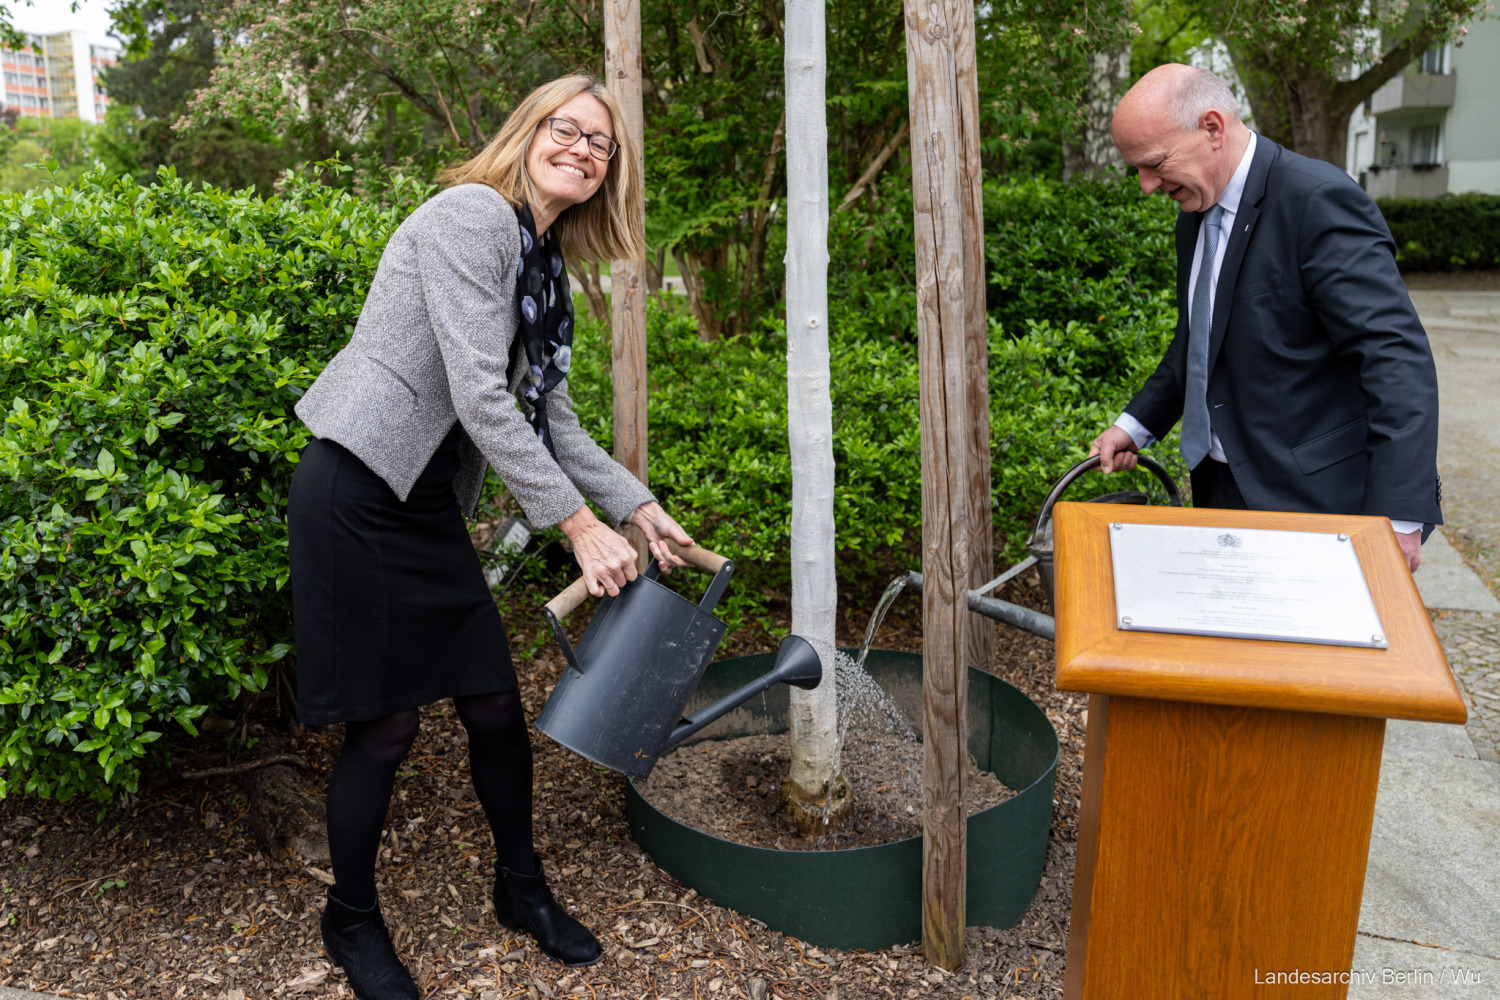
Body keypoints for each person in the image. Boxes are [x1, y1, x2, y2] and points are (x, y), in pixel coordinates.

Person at [287, 75, 693, 998]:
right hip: (357, 492)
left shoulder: (544, 267)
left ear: (608, 175)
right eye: (568, 130)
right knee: (385, 729)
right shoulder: (474, 216)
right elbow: (478, 392)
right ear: (527, 131)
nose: (583, 150)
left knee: (494, 707)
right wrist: (577, 526)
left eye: (602, 146)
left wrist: (633, 504)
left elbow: (554, 420)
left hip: (425, 506)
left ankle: (521, 888)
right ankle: (349, 919)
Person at [1087, 64, 1441, 570]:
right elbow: (1199, 339)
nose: (1146, 185)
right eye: (1137, 169)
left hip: (1320, 503)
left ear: (1213, 128)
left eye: (1154, 163)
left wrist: (1399, 516)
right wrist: (1136, 425)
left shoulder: (1317, 201)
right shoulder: (1194, 214)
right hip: (1222, 487)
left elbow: (1395, 361)